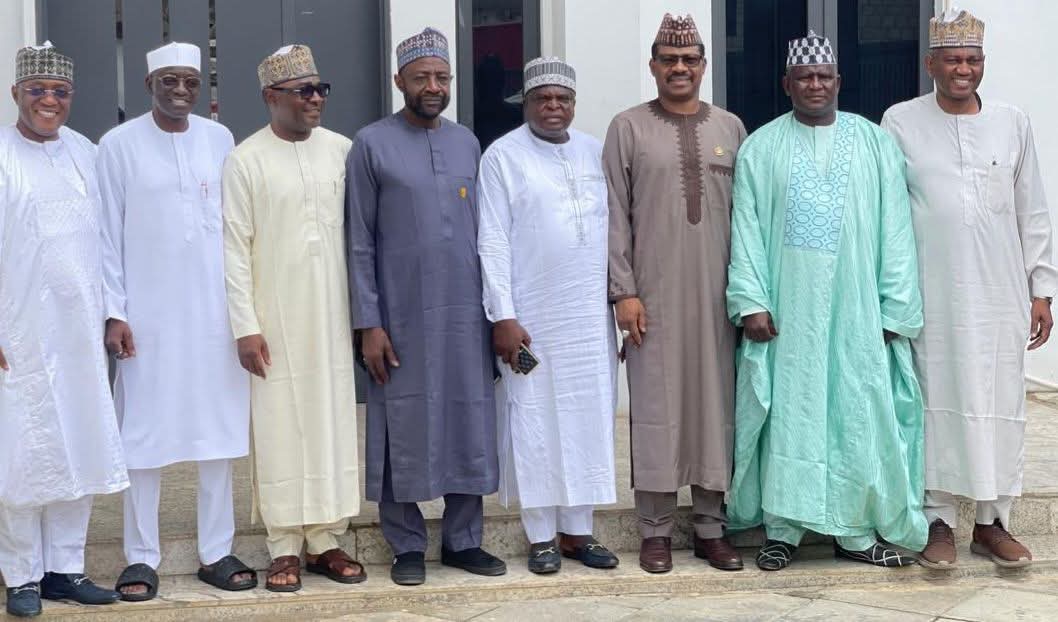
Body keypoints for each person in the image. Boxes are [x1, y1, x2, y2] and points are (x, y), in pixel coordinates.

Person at [726, 31, 927, 571]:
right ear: (786, 84)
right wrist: (751, 301)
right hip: (787, 312)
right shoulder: (760, 147)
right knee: (789, 413)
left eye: (823, 76)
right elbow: (744, 228)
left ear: (838, 82)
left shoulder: (873, 142)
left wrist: (896, 307)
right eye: (804, 78)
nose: (814, 85)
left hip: (858, 308)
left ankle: (856, 532)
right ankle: (783, 530)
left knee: (855, 411)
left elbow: (897, 231)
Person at [882, 6, 1056, 570]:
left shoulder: (1012, 121)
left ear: (983, 63)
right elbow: (886, 214)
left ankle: (991, 521)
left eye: (973, 59)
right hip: (930, 296)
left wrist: (1042, 290)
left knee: (998, 403)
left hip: (1000, 295)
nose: (963, 68)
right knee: (933, 402)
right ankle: (937, 521)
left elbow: (1033, 211)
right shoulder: (900, 121)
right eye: (953, 58)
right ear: (931, 62)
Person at [346, 27, 505, 586]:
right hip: (400, 315)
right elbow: (359, 239)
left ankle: (464, 541)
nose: (433, 87)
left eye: (441, 77)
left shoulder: (467, 142)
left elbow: (486, 234)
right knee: (402, 422)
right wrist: (369, 322)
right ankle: (407, 545)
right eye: (421, 78)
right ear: (399, 82)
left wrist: (496, 310)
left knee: (468, 415)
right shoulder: (370, 144)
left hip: (465, 314)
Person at [96, 42, 255, 600]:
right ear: (149, 85)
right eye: (169, 81)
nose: (181, 90)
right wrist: (114, 312)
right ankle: (140, 557)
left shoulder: (221, 138)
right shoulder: (117, 146)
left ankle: (217, 551)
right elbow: (105, 236)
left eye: (189, 80)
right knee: (144, 435)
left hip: (214, 313)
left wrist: (244, 313)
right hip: (148, 316)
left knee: (218, 432)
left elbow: (234, 228)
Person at [604, 13, 745, 573]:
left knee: (716, 408)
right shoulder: (628, 127)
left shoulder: (731, 128)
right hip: (653, 296)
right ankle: (655, 531)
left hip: (718, 297)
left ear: (704, 66)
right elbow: (615, 213)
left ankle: (712, 526)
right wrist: (624, 292)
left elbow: (750, 218)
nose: (679, 68)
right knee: (658, 407)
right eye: (669, 59)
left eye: (689, 60)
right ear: (653, 66)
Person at [222, 44, 363, 592]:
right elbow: (234, 247)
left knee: (331, 417)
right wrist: (244, 325)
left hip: (333, 312)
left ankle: (326, 537)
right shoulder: (246, 158)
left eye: (320, 89)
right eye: (303, 91)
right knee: (280, 421)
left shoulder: (343, 152)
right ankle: (283, 544)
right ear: (270, 97)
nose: (315, 100)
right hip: (273, 317)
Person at [477, 57, 620, 574]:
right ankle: (540, 535)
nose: (553, 107)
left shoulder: (594, 152)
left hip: (588, 314)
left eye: (562, 99)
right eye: (543, 99)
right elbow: (491, 241)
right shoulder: (502, 157)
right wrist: (503, 315)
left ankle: (579, 530)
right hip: (530, 314)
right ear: (527, 102)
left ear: (574, 103)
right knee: (533, 418)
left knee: (588, 415)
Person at [0, 42, 127, 618]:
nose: (49, 101)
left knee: (79, 439)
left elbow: (107, 243)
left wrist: (115, 311)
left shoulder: (87, 153)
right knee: (23, 451)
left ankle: (64, 570)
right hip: (17, 331)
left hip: (78, 330)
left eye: (59, 92)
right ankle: (22, 576)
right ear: (16, 96)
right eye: (37, 91)